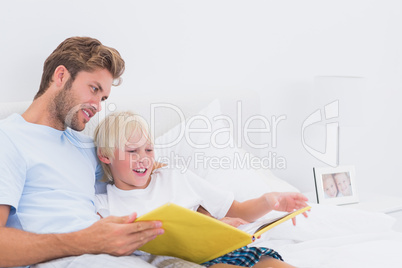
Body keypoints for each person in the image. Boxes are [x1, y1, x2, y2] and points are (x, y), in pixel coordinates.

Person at [0, 36, 202, 268]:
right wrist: (84, 241)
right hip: (73, 260)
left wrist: (202, 208)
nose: (97, 106)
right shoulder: (8, 139)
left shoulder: (87, 148)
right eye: (94, 89)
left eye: (103, 97)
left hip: (129, 254)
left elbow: (143, 173)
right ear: (61, 76)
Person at [94, 111, 310, 268]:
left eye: (149, 149)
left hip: (222, 250)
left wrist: (270, 201)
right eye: (132, 151)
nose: (143, 158)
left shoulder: (175, 176)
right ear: (105, 155)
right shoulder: (104, 206)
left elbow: (239, 211)